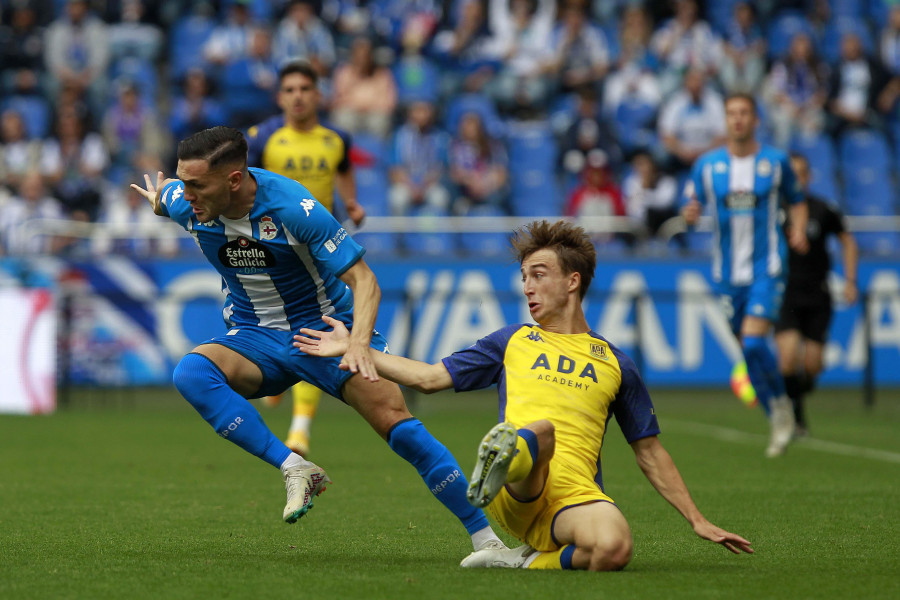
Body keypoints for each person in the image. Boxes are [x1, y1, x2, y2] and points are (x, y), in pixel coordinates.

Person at [129, 126, 504, 559]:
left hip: (326, 331)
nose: (185, 193)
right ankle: (295, 467)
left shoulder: (293, 208)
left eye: (196, 185)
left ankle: (487, 541)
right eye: (182, 183)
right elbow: (170, 199)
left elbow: (365, 281)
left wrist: (358, 345)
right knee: (192, 372)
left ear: (234, 179)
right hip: (256, 337)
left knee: (397, 425)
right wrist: (161, 203)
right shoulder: (187, 203)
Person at [294, 220, 753, 570]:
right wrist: (355, 348)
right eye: (524, 277)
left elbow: (650, 450)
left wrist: (696, 518)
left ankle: (526, 560)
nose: (528, 287)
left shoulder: (616, 363)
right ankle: (497, 461)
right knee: (541, 431)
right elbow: (429, 377)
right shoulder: (512, 340)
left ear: (572, 281)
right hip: (519, 486)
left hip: (574, 498)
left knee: (614, 549)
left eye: (539, 275)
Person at [246, 60, 367, 456]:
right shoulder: (264, 138)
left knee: (312, 327)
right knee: (280, 328)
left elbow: (345, 171)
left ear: (318, 94)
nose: (298, 96)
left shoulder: (336, 138)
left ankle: (300, 430)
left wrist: (350, 202)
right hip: (274, 247)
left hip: (319, 246)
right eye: (290, 90)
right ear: (280, 97)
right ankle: (278, 378)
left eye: (305, 89)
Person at [682, 93, 809, 458]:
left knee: (754, 343)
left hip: (766, 267)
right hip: (726, 275)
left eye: (743, 113)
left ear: (755, 119)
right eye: (731, 113)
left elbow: (796, 199)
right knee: (747, 352)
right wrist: (690, 214)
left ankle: (782, 406)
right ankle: (777, 418)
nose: (737, 119)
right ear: (725, 119)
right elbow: (693, 203)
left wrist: (798, 228)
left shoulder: (775, 161)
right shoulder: (707, 165)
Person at [775, 153, 858, 436]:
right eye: (792, 173)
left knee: (812, 364)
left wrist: (850, 281)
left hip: (817, 294)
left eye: (801, 173)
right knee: (787, 358)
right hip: (785, 293)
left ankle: (798, 389)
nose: (797, 178)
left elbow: (848, 242)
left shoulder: (823, 209)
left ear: (808, 177)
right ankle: (796, 418)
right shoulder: (776, 210)